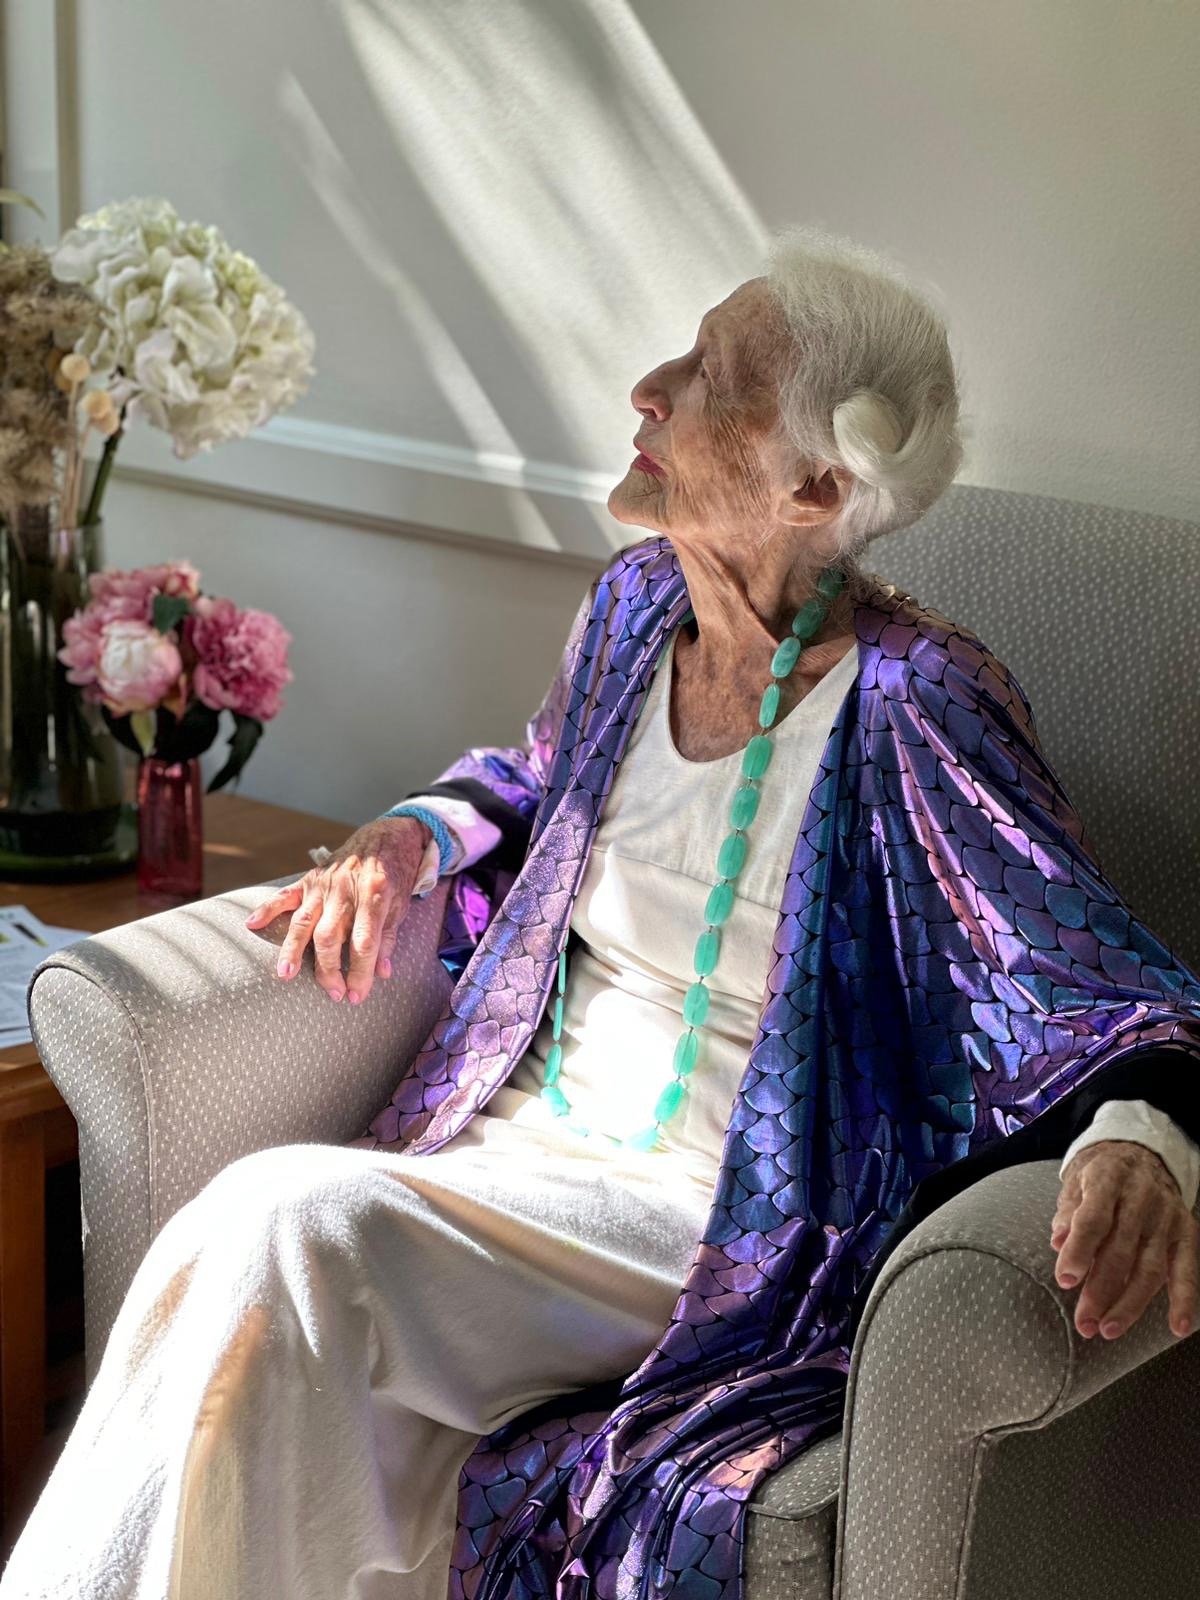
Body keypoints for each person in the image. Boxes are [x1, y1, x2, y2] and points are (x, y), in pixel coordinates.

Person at [4, 226, 1198, 1600]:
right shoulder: (634, 609)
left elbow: (1087, 970)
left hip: (718, 1213)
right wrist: (403, 839)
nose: (649, 384)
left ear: (815, 483)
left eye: (712, 376)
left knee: (286, 1219)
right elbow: (534, 781)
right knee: (260, 1286)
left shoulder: (917, 703)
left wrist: (1143, 1132)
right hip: (517, 1148)